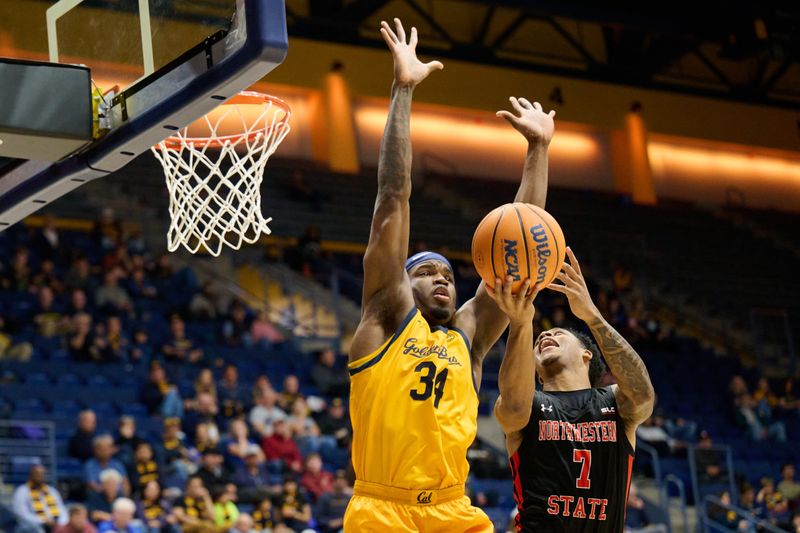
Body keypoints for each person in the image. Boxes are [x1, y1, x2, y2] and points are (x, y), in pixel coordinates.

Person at [344, 18, 554, 532]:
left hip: (454, 510)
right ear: (401, 284)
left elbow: (519, 248)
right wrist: (403, 89)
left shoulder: (469, 338)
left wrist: (538, 150)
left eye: (447, 274)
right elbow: (393, 197)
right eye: (425, 272)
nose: (442, 279)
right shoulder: (385, 317)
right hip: (382, 511)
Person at [490, 248, 655, 531]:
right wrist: (521, 323)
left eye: (557, 333)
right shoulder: (530, 406)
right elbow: (513, 406)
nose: (546, 335)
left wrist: (592, 317)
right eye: (541, 337)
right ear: (537, 374)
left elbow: (644, 396)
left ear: (586, 355)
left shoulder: (614, 402)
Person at [12, 465, 68, 533]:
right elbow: (21, 514)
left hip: (54, 524)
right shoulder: (22, 491)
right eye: (37, 474)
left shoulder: (52, 491)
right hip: (33, 527)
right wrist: (43, 521)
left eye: (42, 474)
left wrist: (60, 523)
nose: (40, 476)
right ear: (31, 475)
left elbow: (62, 510)